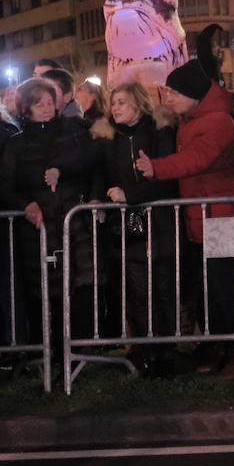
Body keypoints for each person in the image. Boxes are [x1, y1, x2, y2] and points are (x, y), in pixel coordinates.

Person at [137, 60, 234, 377]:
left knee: (227, 288)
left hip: (225, 216)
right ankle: (219, 347)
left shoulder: (218, 121)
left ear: (192, 94)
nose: (167, 100)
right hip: (202, 217)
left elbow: (198, 159)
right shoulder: (189, 119)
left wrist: (157, 167)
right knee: (211, 289)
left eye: (173, 94)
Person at [0, 77, 100, 354]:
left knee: (82, 284)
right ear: (26, 108)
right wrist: (26, 204)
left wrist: (61, 169)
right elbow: (5, 184)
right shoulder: (17, 144)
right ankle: (51, 349)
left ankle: (81, 346)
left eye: (49, 102)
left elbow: (91, 160)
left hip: (74, 220)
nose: (45, 108)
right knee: (46, 290)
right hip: (39, 227)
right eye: (38, 104)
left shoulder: (73, 131)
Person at [91, 82, 180, 375]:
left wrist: (131, 194)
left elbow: (166, 177)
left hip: (160, 220)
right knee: (138, 289)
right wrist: (98, 196)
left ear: (139, 105)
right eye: (113, 102)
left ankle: (168, 349)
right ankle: (148, 349)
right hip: (128, 224)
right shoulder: (109, 138)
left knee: (163, 287)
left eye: (122, 102)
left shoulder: (158, 132)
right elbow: (101, 173)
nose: (115, 107)